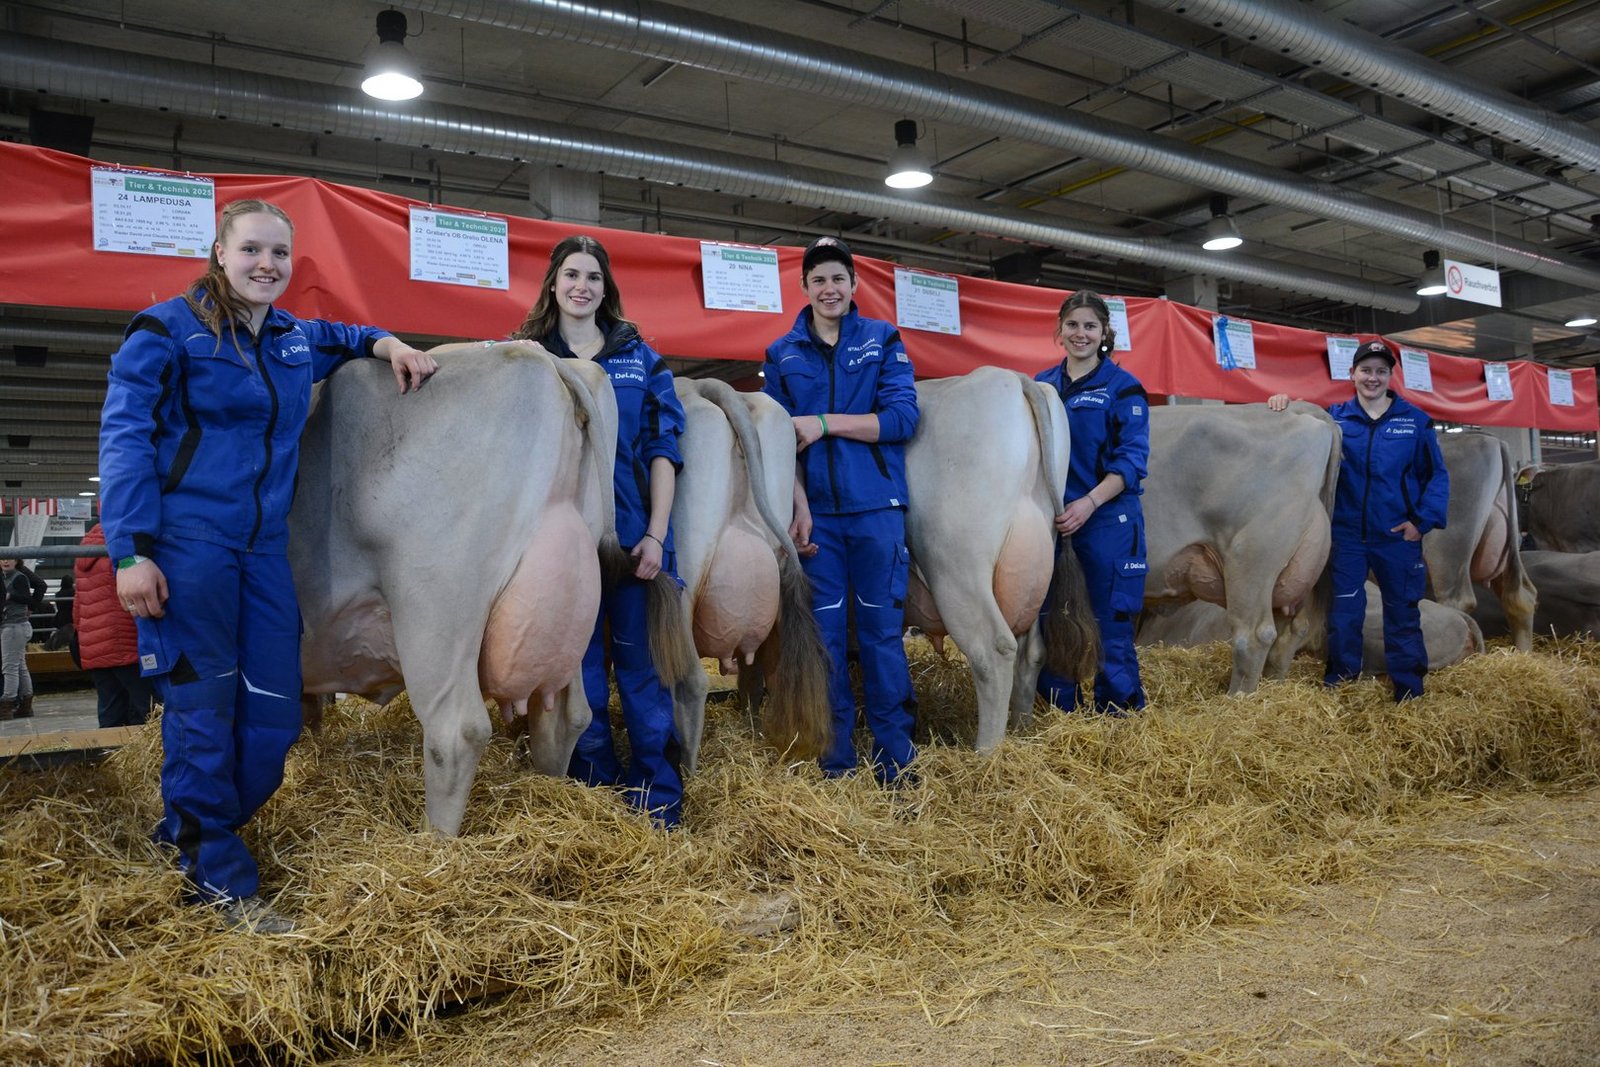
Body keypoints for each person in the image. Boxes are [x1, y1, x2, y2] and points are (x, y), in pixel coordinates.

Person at [98, 198, 437, 933]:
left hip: (261, 553)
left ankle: (190, 831)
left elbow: (344, 335)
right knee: (203, 711)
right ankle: (217, 881)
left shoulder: (290, 338)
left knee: (277, 715)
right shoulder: (165, 331)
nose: (266, 264)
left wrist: (387, 343)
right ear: (220, 252)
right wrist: (130, 551)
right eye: (252, 249)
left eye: (279, 253)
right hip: (189, 548)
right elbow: (124, 441)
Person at [496, 235, 688, 827]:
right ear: (553, 284)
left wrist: (656, 535)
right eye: (572, 275)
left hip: (632, 539)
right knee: (575, 673)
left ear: (606, 290)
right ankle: (593, 790)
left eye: (593, 277)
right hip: (558, 549)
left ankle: (658, 798)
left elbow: (663, 450)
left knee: (643, 671)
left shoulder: (640, 358)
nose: (582, 286)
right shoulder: (526, 356)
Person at [762, 237, 920, 784]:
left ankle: (896, 760)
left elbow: (902, 420)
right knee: (824, 641)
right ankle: (836, 763)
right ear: (804, 287)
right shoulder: (782, 353)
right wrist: (798, 505)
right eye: (818, 280)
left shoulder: (882, 339)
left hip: (877, 509)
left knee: (881, 637)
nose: (829, 289)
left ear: (854, 284)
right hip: (818, 521)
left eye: (838, 279)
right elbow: (780, 440)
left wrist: (825, 423)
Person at [1268, 339, 1448, 701]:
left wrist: (1421, 523)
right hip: (1347, 537)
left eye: (1381, 371)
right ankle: (1342, 686)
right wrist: (1284, 405)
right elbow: (1300, 429)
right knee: (1344, 615)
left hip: (1396, 537)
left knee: (1402, 616)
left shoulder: (1415, 422)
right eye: (1366, 370)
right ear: (1352, 374)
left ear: (1390, 376)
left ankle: (1409, 692)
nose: (1372, 378)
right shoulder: (1334, 419)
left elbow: (1436, 477)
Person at [1033, 291, 1150, 716]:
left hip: (1107, 522)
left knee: (1110, 625)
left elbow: (1132, 462)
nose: (1080, 333)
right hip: (1052, 525)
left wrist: (1088, 503)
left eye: (1090, 326)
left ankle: (1117, 717)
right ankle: (1058, 718)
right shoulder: (1041, 385)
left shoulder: (1123, 387)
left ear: (1104, 333)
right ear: (1060, 329)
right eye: (1072, 324)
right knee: (1052, 620)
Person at [73, 522, 155, 728]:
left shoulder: (84, 551)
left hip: (94, 644)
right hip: (125, 640)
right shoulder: (124, 548)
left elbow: (78, 603)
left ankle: (110, 748)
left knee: (110, 710)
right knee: (148, 707)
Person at [1, 556, 36, 721]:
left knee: (9, 667)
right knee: (20, 666)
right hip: (15, 626)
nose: (5, 562)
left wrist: (9, 596)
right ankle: (25, 704)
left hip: (14, 625)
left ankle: (6, 704)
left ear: (16, 561)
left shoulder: (18, 577)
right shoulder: (7, 577)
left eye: (10, 559)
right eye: (2, 559)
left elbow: (27, 598)